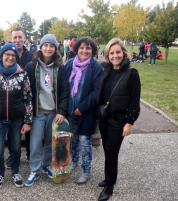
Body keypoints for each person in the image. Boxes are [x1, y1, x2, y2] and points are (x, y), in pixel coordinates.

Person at [0, 43, 33, 189]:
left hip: (17, 119)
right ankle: (0, 174)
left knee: (16, 148)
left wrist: (28, 121)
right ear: (1, 55)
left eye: (13, 55)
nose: (10, 57)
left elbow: (28, 98)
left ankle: (15, 172)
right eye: (7, 54)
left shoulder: (22, 73)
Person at [96, 38, 141, 201]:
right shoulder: (104, 69)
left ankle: (109, 186)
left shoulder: (131, 73)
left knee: (111, 151)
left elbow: (135, 100)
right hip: (104, 118)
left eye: (118, 52)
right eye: (112, 53)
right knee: (108, 150)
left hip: (119, 120)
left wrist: (129, 122)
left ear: (123, 52)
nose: (115, 56)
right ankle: (108, 178)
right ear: (107, 55)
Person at [24, 34, 69, 187]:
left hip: (54, 112)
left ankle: (46, 165)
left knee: (51, 142)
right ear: (40, 47)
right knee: (35, 143)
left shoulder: (60, 68)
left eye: (51, 46)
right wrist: (28, 115)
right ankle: (34, 170)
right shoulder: (31, 66)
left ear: (55, 49)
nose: (48, 48)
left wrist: (62, 112)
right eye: (45, 45)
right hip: (38, 112)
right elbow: (27, 92)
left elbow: (64, 91)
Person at [65, 37, 103, 184]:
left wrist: (82, 107)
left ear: (92, 50)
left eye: (88, 48)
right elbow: (63, 86)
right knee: (72, 139)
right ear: (76, 49)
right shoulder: (69, 65)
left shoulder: (96, 68)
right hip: (70, 110)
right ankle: (74, 160)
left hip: (86, 112)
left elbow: (97, 92)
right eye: (81, 48)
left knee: (84, 141)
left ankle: (86, 170)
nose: (84, 51)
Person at [6, 27, 34, 169]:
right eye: (15, 38)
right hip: (13, 100)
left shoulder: (32, 56)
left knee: (29, 127)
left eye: (20, 37)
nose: (17, 40)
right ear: (11, 39)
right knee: (13, 131)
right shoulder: (8, 54)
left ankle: (30, 154)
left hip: (28, 98)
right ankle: (12, 155)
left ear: (24, 38)